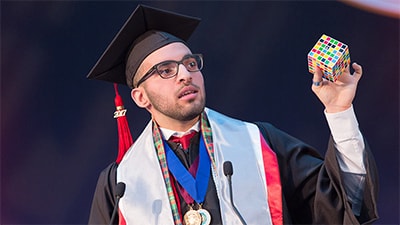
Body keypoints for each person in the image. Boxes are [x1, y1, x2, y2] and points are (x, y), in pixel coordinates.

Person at [87, 4, 378, 225]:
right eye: (166, 70)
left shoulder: (259, 143)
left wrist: (339, 111)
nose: (185, 75)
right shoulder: (120, 184)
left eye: (190, 63)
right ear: (140, 97)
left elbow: (342, 205)